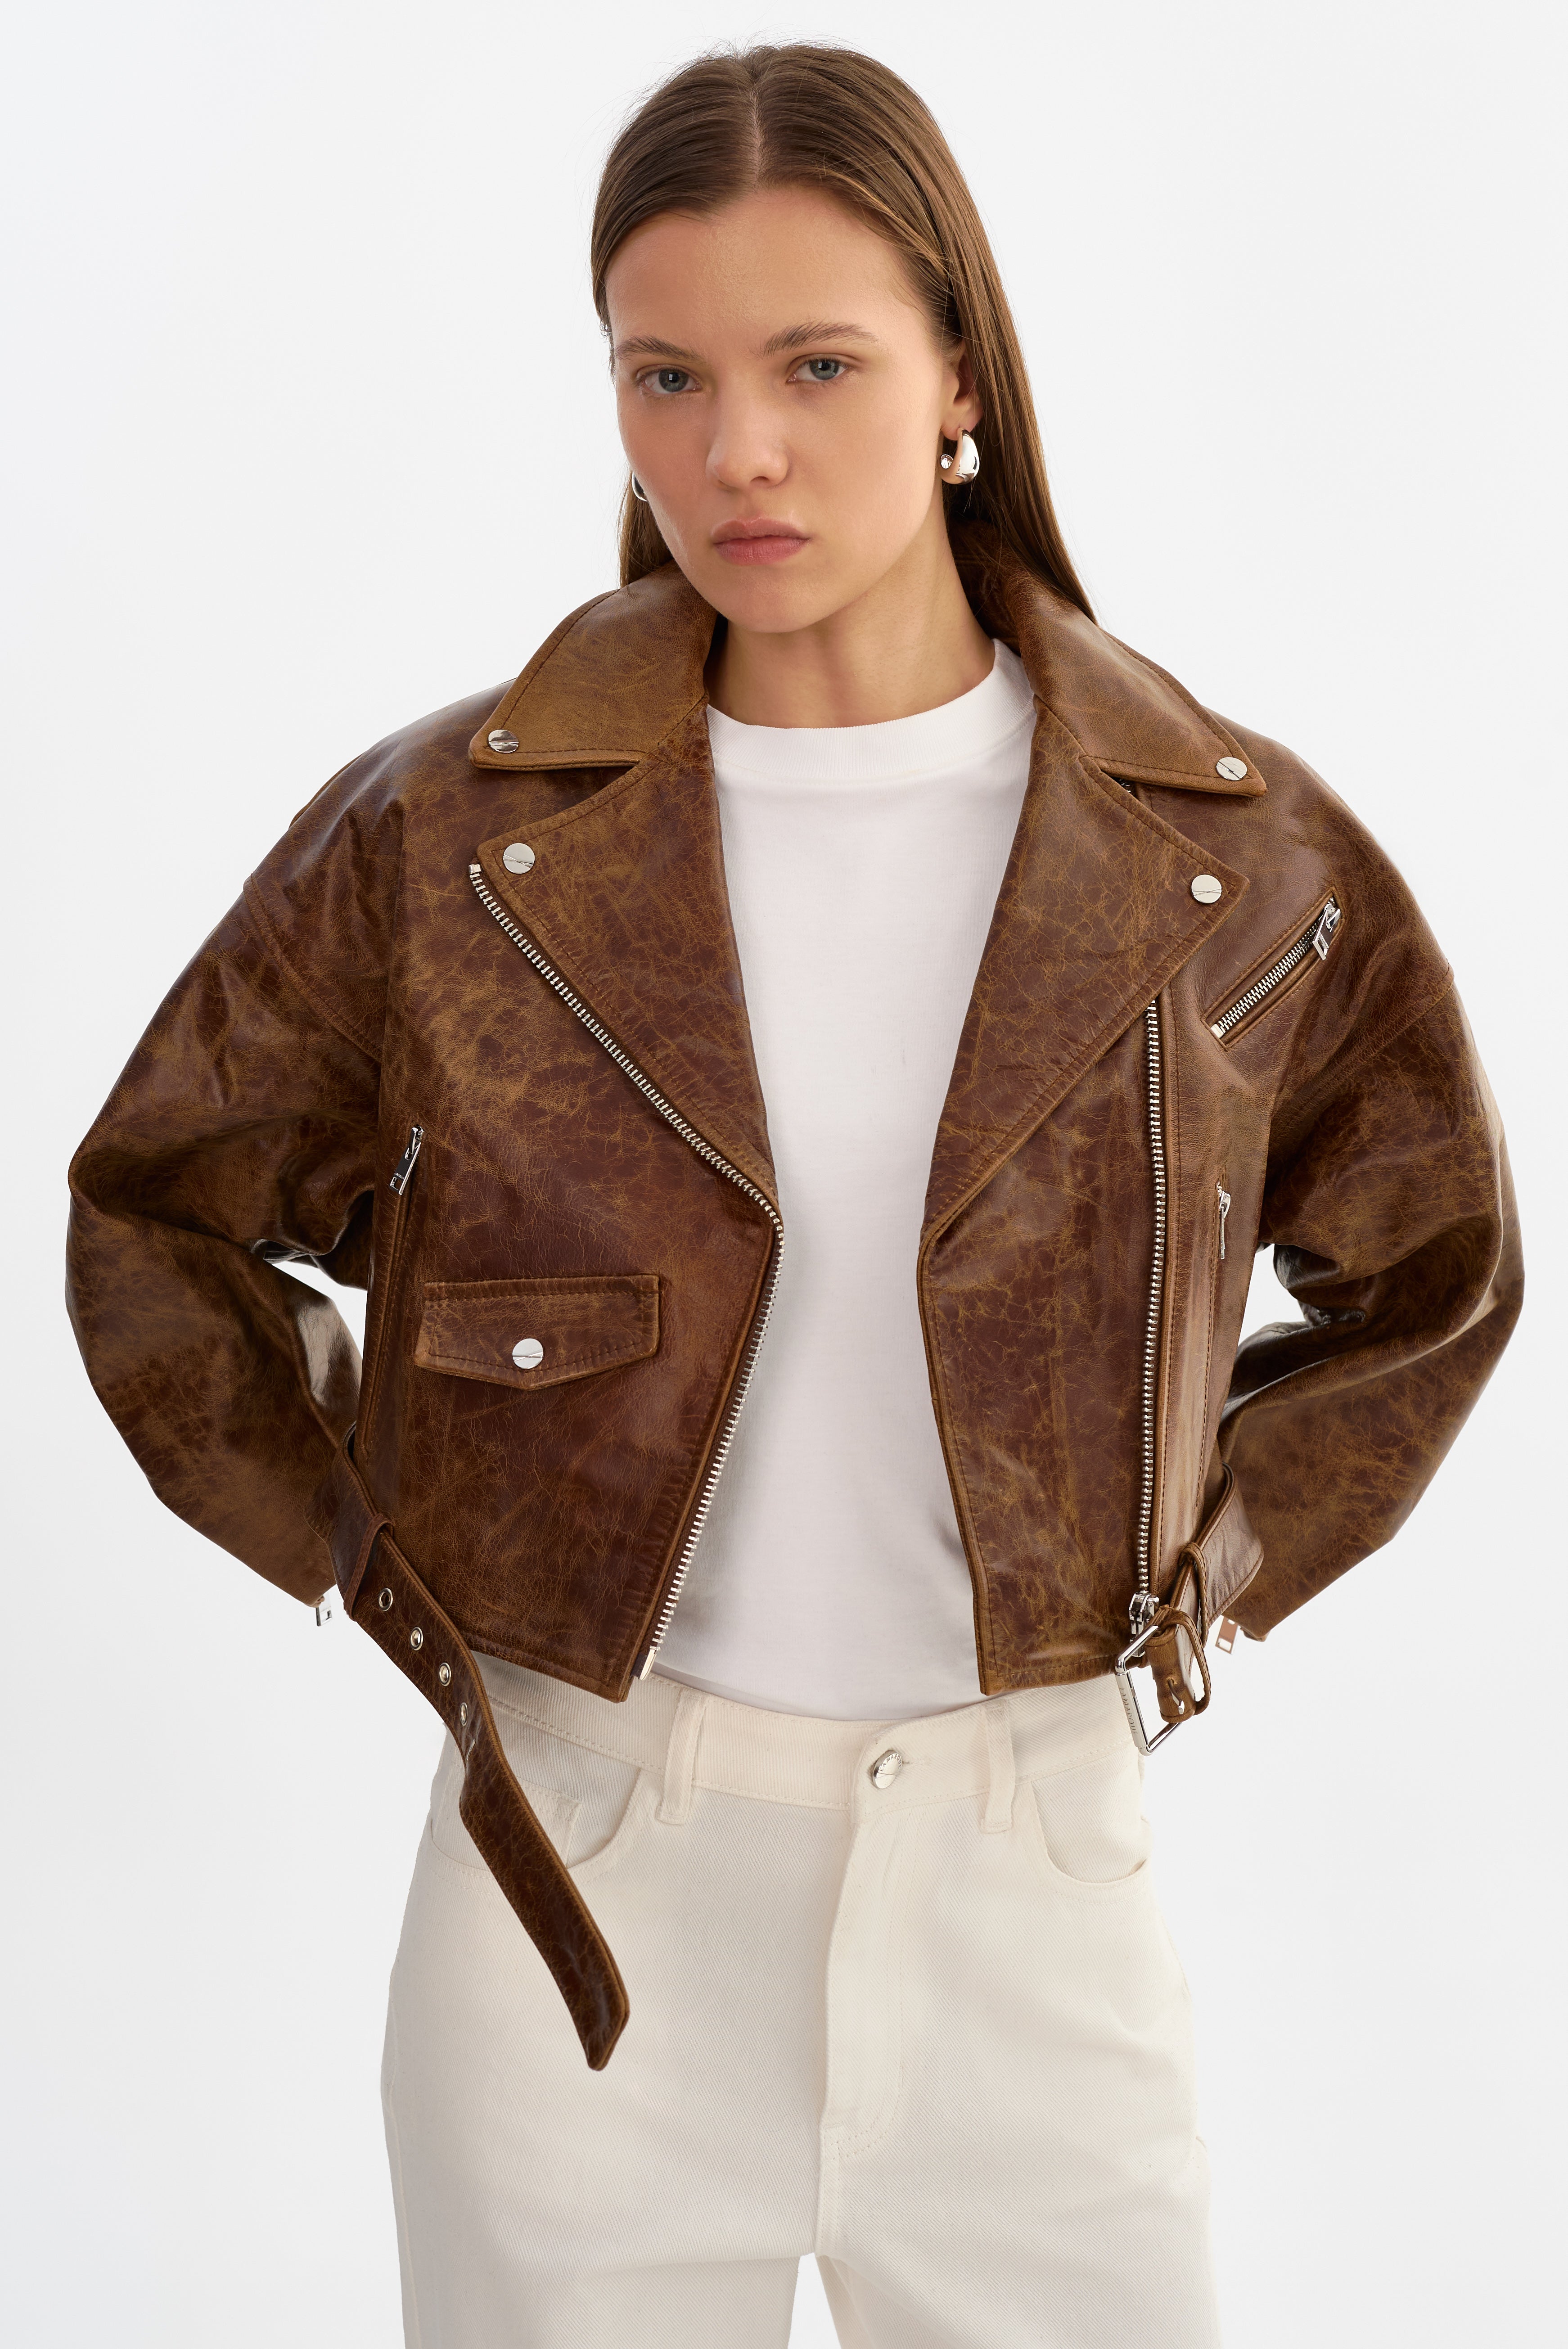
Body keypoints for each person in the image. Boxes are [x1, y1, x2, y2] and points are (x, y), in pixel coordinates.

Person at [65, 41, 1522, 2349]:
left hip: (1035, 1880)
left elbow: (1430, 1274)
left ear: (960, 381)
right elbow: (157, 1214)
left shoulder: (1225, 856)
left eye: (814, 365)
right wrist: (382, 1549)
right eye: (665, 375)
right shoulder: (447, 840)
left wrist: (1207, 1581)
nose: (734, 449)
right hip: (575, 1888)